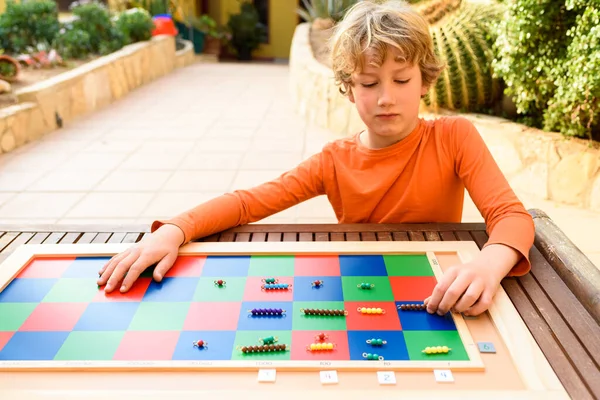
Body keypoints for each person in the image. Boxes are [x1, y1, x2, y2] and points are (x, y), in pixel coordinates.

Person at [98, 0, 534, 317]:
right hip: (357, 295)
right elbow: (249, 202)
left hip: (440, 290)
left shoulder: (455, 136)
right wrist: (174, 229)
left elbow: (512, 216)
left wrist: (490, 262)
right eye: (368, 83)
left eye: (401, 79)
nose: (386, 98)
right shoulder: (333, 161)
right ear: (348, 88)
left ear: (425, 81)